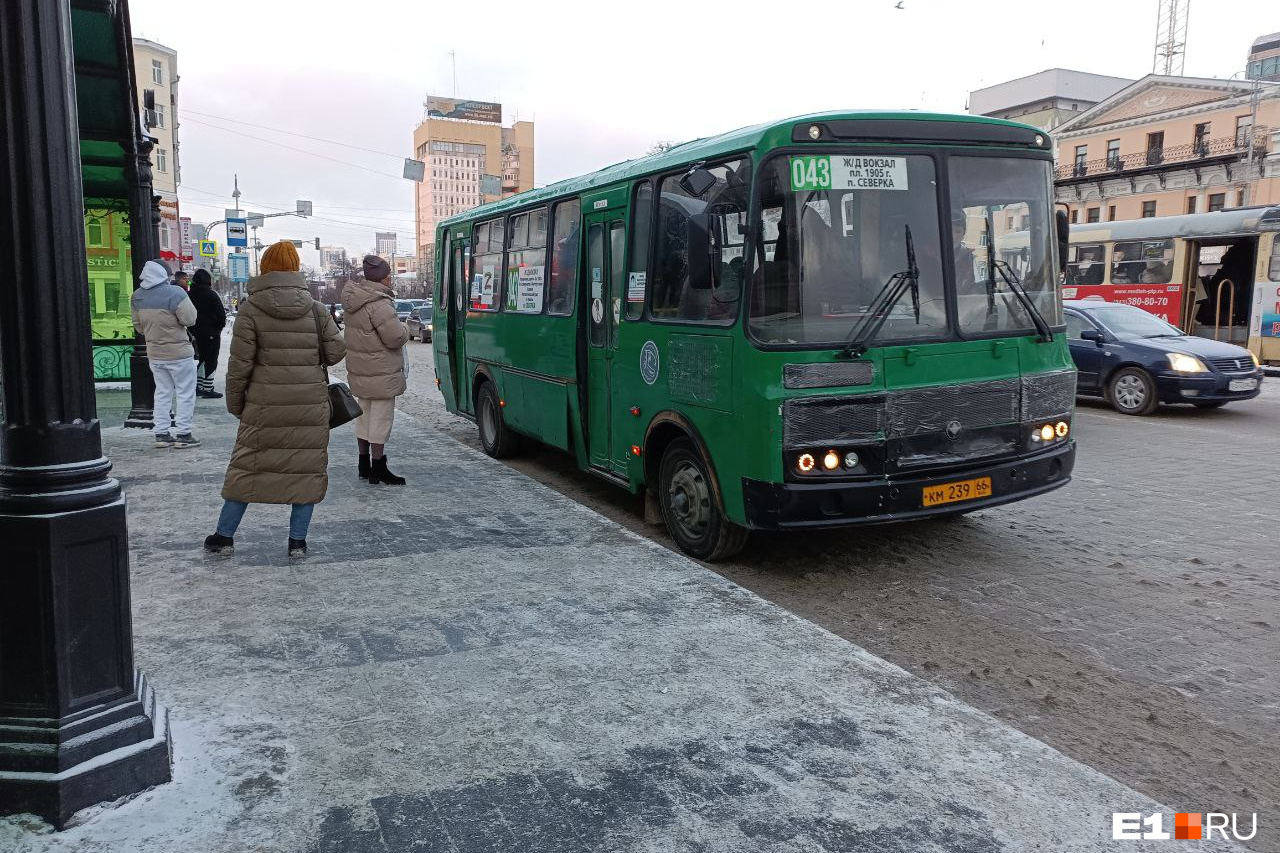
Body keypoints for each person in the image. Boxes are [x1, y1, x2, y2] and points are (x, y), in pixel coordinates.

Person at [204, 241, 345, 558]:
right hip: (309, 404)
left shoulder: (251, 309)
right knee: (305, 471)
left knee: (246, 469)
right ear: (296, 268)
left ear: (265, 268)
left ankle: (224, 537)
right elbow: (336, 352)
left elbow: (239, 366)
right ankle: (297, 542)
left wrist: (237, 405)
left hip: (263, 405)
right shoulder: (315, 309)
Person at [343, 254, 409, 485]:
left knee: (364, 417)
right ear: (382, 278)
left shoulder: (355, 300)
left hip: (361, 372)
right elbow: (394, 337)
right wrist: (404, 328)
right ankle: (378, 468)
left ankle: (364, 464)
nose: (390, 280)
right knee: (380, 420)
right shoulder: (379, 303)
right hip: (381, 373)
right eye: (389, 276)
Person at [131, 259, 199, 448]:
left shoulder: (137, 296)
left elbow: (138, 327)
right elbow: (190, 319)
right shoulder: (175, 293)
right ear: (163, 275)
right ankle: (184, 434)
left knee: (162, 392)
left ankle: (161, 433)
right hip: (179, 352)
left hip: (155, 353)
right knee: (185, 393)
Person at [188, 268, 227, 398]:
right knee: (211, 360)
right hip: (211, 333)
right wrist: (218, 329)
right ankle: (208, 388)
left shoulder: (189, 295)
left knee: (200, 359)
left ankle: (199, 387)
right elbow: (221, 315)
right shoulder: (211, 294)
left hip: (195, 332)